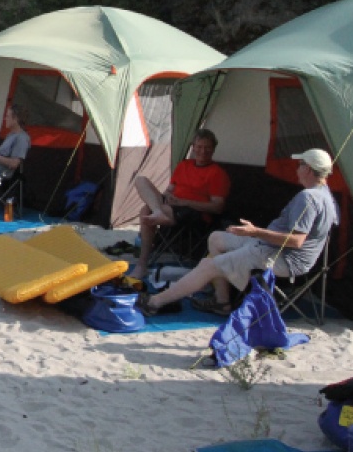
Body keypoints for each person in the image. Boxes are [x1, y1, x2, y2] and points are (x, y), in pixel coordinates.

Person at [139, 148, 338, 316]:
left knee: (210, 265)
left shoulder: (308, 198)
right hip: (271, 247)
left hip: (281, 257)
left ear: (309, 169)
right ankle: (222, 301)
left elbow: (296, 241)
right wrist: (255, 233)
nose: (297, 169)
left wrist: (255, 231)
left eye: (301, 165)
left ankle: (155, 302)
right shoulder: (326, 195)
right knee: (216, 238)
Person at [130, 129, 230, 279]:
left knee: (145, 212)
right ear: (193, 147)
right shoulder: (184, 165)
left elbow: (217, 207)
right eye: (199, 147)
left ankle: (142, 264)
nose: (203, 151)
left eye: (207, 147)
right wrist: (167, 196)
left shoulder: (217, 173)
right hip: (172, 205)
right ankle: (158, 211)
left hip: (195, 212)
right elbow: (170, 189)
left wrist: (185, 202)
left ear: (213, 149)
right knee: (140, 180)